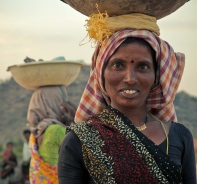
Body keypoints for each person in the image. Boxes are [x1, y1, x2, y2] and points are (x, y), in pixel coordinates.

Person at [58, 13, 196, 183]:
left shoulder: (180, 136)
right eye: (118, 65)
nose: (130, 78)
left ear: (156, 77)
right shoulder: (78, 141)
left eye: (143, 66)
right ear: (101, 74)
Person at [27, 85, 76, 184]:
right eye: (62, 101)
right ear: (54, 104)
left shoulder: (37, 132)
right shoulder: (56, 131)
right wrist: (76, 119)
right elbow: (84, 148)